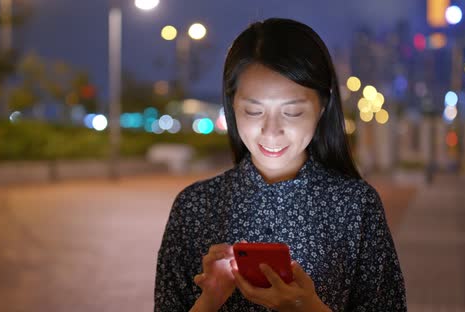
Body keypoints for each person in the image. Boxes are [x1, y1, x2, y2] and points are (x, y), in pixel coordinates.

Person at [154, 18, 407, 312]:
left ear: (322, 107)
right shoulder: (195, 207)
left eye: (292, 112)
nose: (271, 130)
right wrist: (209, 299)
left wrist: (308, 307)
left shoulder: (356, 206)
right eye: (253, 110)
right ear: (232, 105)